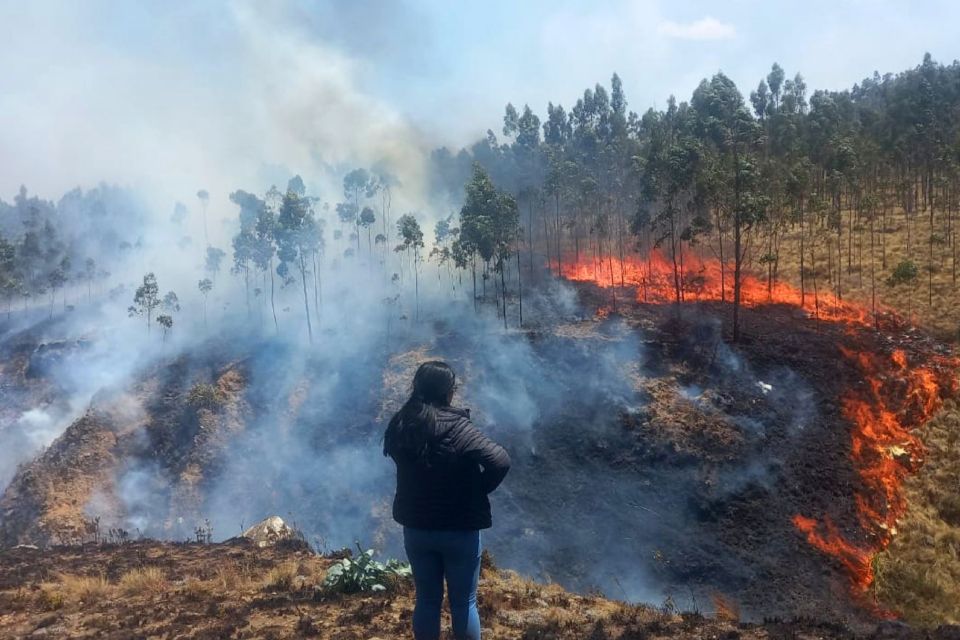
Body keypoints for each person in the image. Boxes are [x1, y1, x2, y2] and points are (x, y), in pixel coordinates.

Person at [384, 361, 511, 640]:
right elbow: (500, 461)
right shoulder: (458, 428)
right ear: (447, 392)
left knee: (427, 600)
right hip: (459, 529)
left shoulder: (402, 424)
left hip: (416, 528)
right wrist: (477, 490)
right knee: (463, 603)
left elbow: (392, 453)